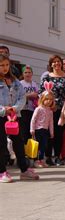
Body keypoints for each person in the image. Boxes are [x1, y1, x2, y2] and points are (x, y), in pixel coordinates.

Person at [0, 54, 39, 182]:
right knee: (1, 143)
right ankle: (2, 172)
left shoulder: (15, 80)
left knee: (19, 142)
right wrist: (3, 110)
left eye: (6, 65)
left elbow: (22, 96)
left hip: (14, 116)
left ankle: (24, 170)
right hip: (2, 115)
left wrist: (15, 108)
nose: (5, 68)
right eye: (2, 65)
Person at [38, 55, 65, 166]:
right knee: (48, 133)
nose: (57, 64)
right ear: (51, 64)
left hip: (62, 110)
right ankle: (48, 156)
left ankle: (58, 156)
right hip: (48, 109)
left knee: (59, 133)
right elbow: (41, 93)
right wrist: (50, 103)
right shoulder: (47, 77)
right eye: (54, 62)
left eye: (58, 62)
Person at [30, 89, 55, 168]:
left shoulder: (50, 111)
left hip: (45, 130)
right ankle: (36, 161)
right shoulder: (38, 109)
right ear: (42, 99)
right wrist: (32, 129)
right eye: (47, 99)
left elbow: (51, 122)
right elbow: (33, 119)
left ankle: (41, 159)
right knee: (37, 145)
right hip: (38, 130)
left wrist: (51, 132)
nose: (49, 101)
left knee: (43, 146)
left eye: (51, 100)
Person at [20, 65, 39, 144]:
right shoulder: (20, 83)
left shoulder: (34, 84)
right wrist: (29, 95)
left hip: (32, 110)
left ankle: (29, 150)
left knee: (30, 130)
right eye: (25, 72)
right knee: (23, 130)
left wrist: (35, 95)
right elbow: (18, 95)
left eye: (29, 72)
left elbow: (38, 94)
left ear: (32, 74)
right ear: (23, 74)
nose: (27, 74)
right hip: (23, 110)